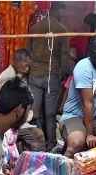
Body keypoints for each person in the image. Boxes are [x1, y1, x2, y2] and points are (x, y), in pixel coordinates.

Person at [28, 5, 74, 150]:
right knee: (50, 113)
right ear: (56, 10)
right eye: (62, 10)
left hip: (35, 74)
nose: (63, 14)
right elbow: (64, 56)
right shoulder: (62, 30)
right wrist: (63, 74)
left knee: (36, 112)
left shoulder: (35, 28)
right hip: (51, 75)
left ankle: (39, 143)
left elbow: (28, 52)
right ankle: (51, 143)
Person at [0, 49, 46, 153]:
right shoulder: (8, 78)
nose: (28, 68)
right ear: (16, 62)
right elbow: (5, 106)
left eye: (28, 66)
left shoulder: (17, 76)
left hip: (16, 116)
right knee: (38, 135)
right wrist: (27, 116)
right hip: (8, 119)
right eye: (25, 65)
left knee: (37, 124)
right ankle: (35, 161)